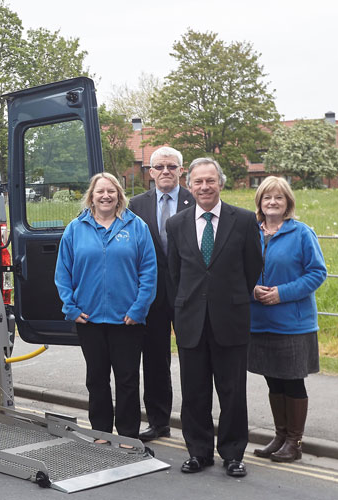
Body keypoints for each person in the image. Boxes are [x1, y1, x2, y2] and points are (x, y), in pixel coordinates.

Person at [165, 158, 263, 477]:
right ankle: (199, 452)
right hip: (190, 320)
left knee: (232, 392)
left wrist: (229, 298)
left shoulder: (245, 220)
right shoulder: (176, 224)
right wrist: (181, 312)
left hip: (230, 319)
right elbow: (174, 274)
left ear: (220, 182)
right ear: (189, 185)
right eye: (198, 182)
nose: (204, 187)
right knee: (194, 392)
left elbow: (252, 268)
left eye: (210, 181)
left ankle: (233, 454)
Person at [55, 172, 157, 440]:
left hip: (127, 320)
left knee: (127, 380)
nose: (105, 196)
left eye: (111, 191)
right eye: (100, 191)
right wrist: (71, 308)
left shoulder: (137, 227)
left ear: (119, 195)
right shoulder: (75, 229)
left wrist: (138, 310)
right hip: (89, 321)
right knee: (97, 380)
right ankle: (101, 433)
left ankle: (126, 436)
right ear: (91, 196)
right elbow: (62, 274)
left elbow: (149, 272)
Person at [249, 176, 327, 463]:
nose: (272, 202)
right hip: (259, 321)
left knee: (293, 382)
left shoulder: (302, 233)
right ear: (259, 202)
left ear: (287, 203)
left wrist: (282, 293)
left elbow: (317, 273)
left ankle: (295, 442)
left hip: (293, 323)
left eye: (278, 198)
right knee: (274, 382)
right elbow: (237, 270)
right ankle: (280, 436)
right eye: (267, 197)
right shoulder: (250, 233)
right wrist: (251, 290)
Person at [129, 146, 195, 442]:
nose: (165, 172)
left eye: (172, 166)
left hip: (189, 294)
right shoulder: (134, 205)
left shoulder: (196, 200)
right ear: (150, 172)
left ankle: (195, 422)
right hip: (151, 295)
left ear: (181, 171)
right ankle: (158, 422)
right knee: (154, 361)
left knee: (193, 360)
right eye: (159, 167)